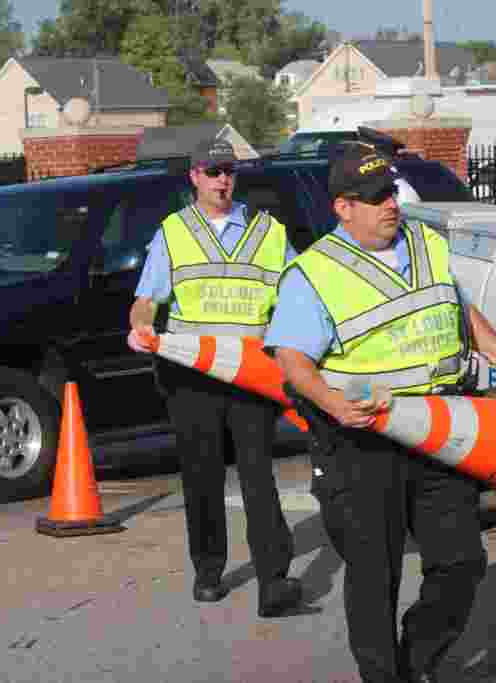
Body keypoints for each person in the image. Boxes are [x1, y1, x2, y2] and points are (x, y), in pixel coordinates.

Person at [265, 141, 496, 683]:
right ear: (342, 207)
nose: (389, 203)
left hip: (441, 430)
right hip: (363, 442)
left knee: (461, 563)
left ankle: (417, 658)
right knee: (374, 573)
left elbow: (460, 310)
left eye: (389, 191)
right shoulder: (314, 273)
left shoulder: (426, 243)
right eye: (373, 197)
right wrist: (334, 406)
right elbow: (293, 361)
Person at [127, 138, 303, 616]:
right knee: (201, 475)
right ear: (194, 178)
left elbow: (295, 297)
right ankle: (208, 571)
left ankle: (273, 580)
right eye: (211, 171)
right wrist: (140, 324)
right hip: (193, 375)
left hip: (251, 374)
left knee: (257, 477)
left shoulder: (268, 232)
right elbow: (148, 298)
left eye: (227, 170)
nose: (221, 179)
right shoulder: (174, 232)